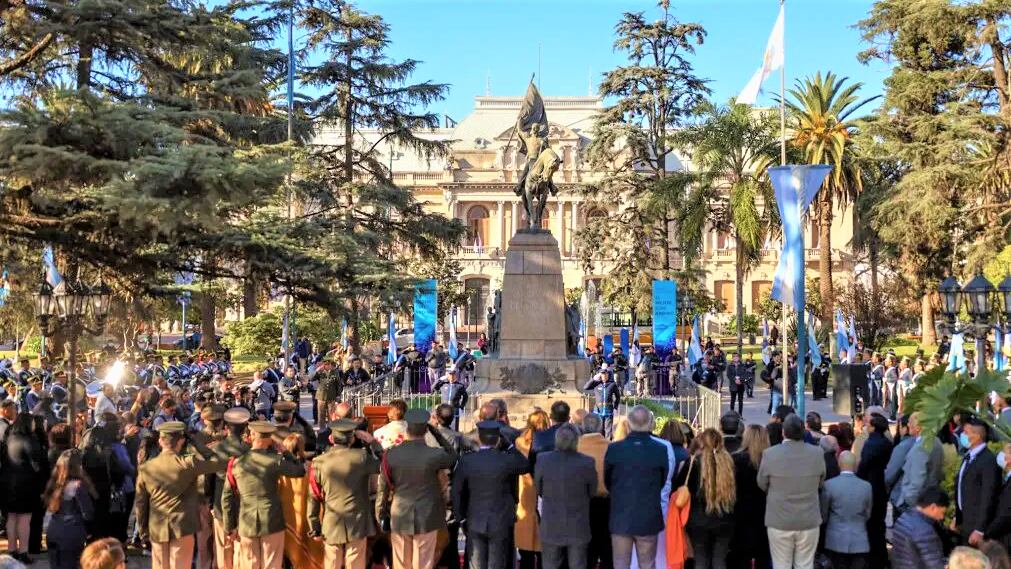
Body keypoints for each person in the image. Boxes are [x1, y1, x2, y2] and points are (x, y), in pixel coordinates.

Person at [134, 421, 225, 569]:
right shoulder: (188, 464)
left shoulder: (146, 468)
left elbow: (141, 503)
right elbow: (217, 462)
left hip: (157, 527)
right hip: (182, 527)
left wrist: (143, 531)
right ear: (181, 441)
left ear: (160, 441)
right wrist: (196, 442)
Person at [377, 408, 459, 569]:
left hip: (400, 513)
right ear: (426, 430)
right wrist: (437, 434)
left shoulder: (391, 454)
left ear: (407, 428)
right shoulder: (434, 454)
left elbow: (383, 488)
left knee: (401, 561)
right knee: (423, 562)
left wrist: (380, 514)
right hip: (427, 516)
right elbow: (453, 456)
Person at [222, 421, 306, 569]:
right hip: (272, 520)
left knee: (249, 564)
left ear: (252, 436)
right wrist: (286, 452)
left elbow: (227, 497)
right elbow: (299, 470)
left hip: (246, 521)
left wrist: (229, 527)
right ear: (270, 439)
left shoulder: (237, 463)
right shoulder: (276, 461)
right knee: (272, 564)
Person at [307, 419, 384, 569]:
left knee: (332, 562)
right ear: (353, 438)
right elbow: (385, 463)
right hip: (358, 520)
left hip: (332, 519)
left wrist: (314, 525)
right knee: (355, 562)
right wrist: (371, 441)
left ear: (331, 438)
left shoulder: (318, 462)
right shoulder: (362, 458)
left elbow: (314, 496)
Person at [454, 421, 530, 569]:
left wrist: (460, 517)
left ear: (479, 439)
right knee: (498, 563)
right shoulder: (506, 459)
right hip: (501, 519)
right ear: (498, 439)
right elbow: (524, 464)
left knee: (476, 563)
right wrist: (509, 446)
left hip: (475, 519)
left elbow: (457, 491)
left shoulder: (467, 461)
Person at [757, 414, 826, 569]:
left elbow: (762, 483)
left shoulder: (770, 454)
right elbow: (821, 482)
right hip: (808, 519)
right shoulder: (817, 453)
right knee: (805, 564)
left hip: (779, 519)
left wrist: (777, 491)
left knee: (781, 564)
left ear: (783, 432)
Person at [605, 405, 670, 569]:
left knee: (620, 564)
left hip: (621, 517)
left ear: (629, 422)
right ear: (650, 423)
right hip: (648, 516)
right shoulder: (660, 449)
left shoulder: (614, 449)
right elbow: (663, 479)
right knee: (647, 564)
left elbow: (608, 481)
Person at [535, 423, 597, 569]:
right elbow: (592, 492)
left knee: (550, 565)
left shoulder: (543, 459)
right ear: (576, 440)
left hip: (551, 524)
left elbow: (539, 489)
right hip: (578, 525)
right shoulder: (587, 462)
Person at [676, 428, 735, 569]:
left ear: (701, 442)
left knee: (700, 558)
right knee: (719, 559)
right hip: (724, 518)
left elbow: (678, 486)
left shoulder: (693, 463)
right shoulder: (728, 461)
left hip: (698, 520)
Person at [42, 449, 96, 569]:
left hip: (53, 532)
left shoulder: (55, 484)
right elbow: (88, 513)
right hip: (72, 533)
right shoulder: (78, 486)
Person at [211, 408, 251, 569]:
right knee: (241, 549)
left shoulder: (216, 449)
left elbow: (208, 479)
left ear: (226, 427)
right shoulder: (249, 451)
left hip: (220, 503)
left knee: (223, 548)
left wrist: (209, 503)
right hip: (243, 505)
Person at [1, 414, 43, 563]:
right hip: (26, 485)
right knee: (24, 520)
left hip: (7, 483)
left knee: (11, 518)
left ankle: (12, 550)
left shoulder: (8, 439)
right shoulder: (30, 440)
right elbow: (36, 465)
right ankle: (23, 551)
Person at [820, 451, 872, 569]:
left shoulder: (829, 485)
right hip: (859, 540)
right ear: (855, 465)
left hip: (835, 539)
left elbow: (824, 514)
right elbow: (868, 513)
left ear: (839, 463)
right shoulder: (866, 486)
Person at [731, 424, 770, 569]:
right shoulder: (768, 460)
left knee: (741, 555)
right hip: (764, 512)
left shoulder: (735, 459)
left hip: (740, 512)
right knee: (763, 556)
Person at [956, 418, 1000, 546]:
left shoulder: (988, 461)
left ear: (977, 436)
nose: (962, 435)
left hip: (976, 526)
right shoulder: (968, 456)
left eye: (966, 432)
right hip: (965, 521)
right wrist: (958, 518)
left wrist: (980, 529)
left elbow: (988, 496)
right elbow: (962, 487)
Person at [856, 413, 892, 567]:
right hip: (881, 486)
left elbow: (864, 465)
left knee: (871, 524)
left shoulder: (871, 444)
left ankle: (873, 559)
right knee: (879, 523)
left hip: (871, 485)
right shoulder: (887, 442)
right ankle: (880, 557)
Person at [515, 410, 549, 569]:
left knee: (526, 539)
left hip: (525, 491)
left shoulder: (520, 442)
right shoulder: (549, 443)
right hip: (541, 490)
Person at [579, 413, 613, 569]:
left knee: (586, 551)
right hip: (608, 503)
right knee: (607, 548)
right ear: (601, 427)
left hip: (582, 504)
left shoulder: (575, 446)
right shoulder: (611, 447)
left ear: (582, 427)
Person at [891, 487, 949, 569]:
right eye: (942, 512)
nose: (942, 517)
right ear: (933, 507)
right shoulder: (925, 530)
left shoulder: (903, 517)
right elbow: (935, 565)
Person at [529, 401, 570, 471]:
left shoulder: (539, 437)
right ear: (568, 418)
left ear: (550, 416)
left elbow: (533, 463)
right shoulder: (580, 435)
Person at [583, 367, 620, 439]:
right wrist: (593, 379)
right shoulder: (596, 384)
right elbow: (585, 387)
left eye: (606, 374)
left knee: (608, 431)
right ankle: (599, 446)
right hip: (598, 411)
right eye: (602, 374)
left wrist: (615, 407)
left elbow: (618, 397)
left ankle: (608, 447)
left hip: (608, 411)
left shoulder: (612, 384)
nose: (604, 375)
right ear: (600, 375)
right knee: (599, 430)